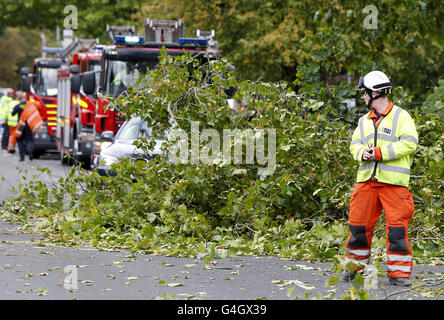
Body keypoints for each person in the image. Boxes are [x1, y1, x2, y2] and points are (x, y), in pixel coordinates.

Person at [343, 71, 418, 287]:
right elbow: (354, 145)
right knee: (358, 228)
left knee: (396, 231)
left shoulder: (401, 117)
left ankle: (399, 274)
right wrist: (362, 153)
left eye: (365, 93)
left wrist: (379, 153)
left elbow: (410, 144)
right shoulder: (364, 121)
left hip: (393, 185)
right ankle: (353, 269)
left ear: (375, 93)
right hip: (366, 182)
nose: (363, 97)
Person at [11, 91, 28, 161]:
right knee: (27, 140)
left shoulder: (18, 106)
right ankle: (28, 152)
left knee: (20, 140)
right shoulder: (29, 105)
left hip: (21, 126)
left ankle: (22, 157)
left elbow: (12, 114)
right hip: (28, 125)